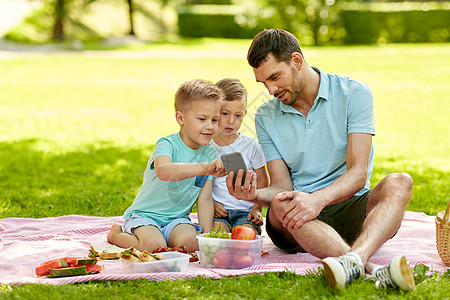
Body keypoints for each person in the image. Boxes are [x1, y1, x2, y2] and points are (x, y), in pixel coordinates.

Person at [226, 29, 415, 291]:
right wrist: (253, 195)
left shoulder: (354, 93)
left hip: (350, 206)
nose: (270, 90)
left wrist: (318, 199)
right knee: (281, 204)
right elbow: (282, 186)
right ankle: (370, 267)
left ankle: (354, 261)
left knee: (400, 182)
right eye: (263, 83)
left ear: (297, 61)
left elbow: (358, 172)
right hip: (298, 220)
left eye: (275, 77)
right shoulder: (266, 116)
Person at [107, 79, 226, 254]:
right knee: (153, 246)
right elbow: (164, 171)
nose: (210, 126)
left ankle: (169, 238)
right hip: (145, 216)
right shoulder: (166, 144)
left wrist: (207, 237)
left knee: (191, 244)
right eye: (202, 119)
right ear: (180, 118)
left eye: (214, 120)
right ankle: (116, 236)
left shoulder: (209, 153)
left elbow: (205, 199)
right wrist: (204, 168)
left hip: (177, 219)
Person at [210, 78, 269, 235]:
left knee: (244, 236)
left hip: (246, 213)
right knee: (217, 238)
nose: (231, 121)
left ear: (244, 114)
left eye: (238, 115)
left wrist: (257, 209)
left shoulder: (251, 146)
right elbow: (199, 183)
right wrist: (212, 204)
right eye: (225, 114)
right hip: (219, 213)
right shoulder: (206, 146)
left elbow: (263, 180)